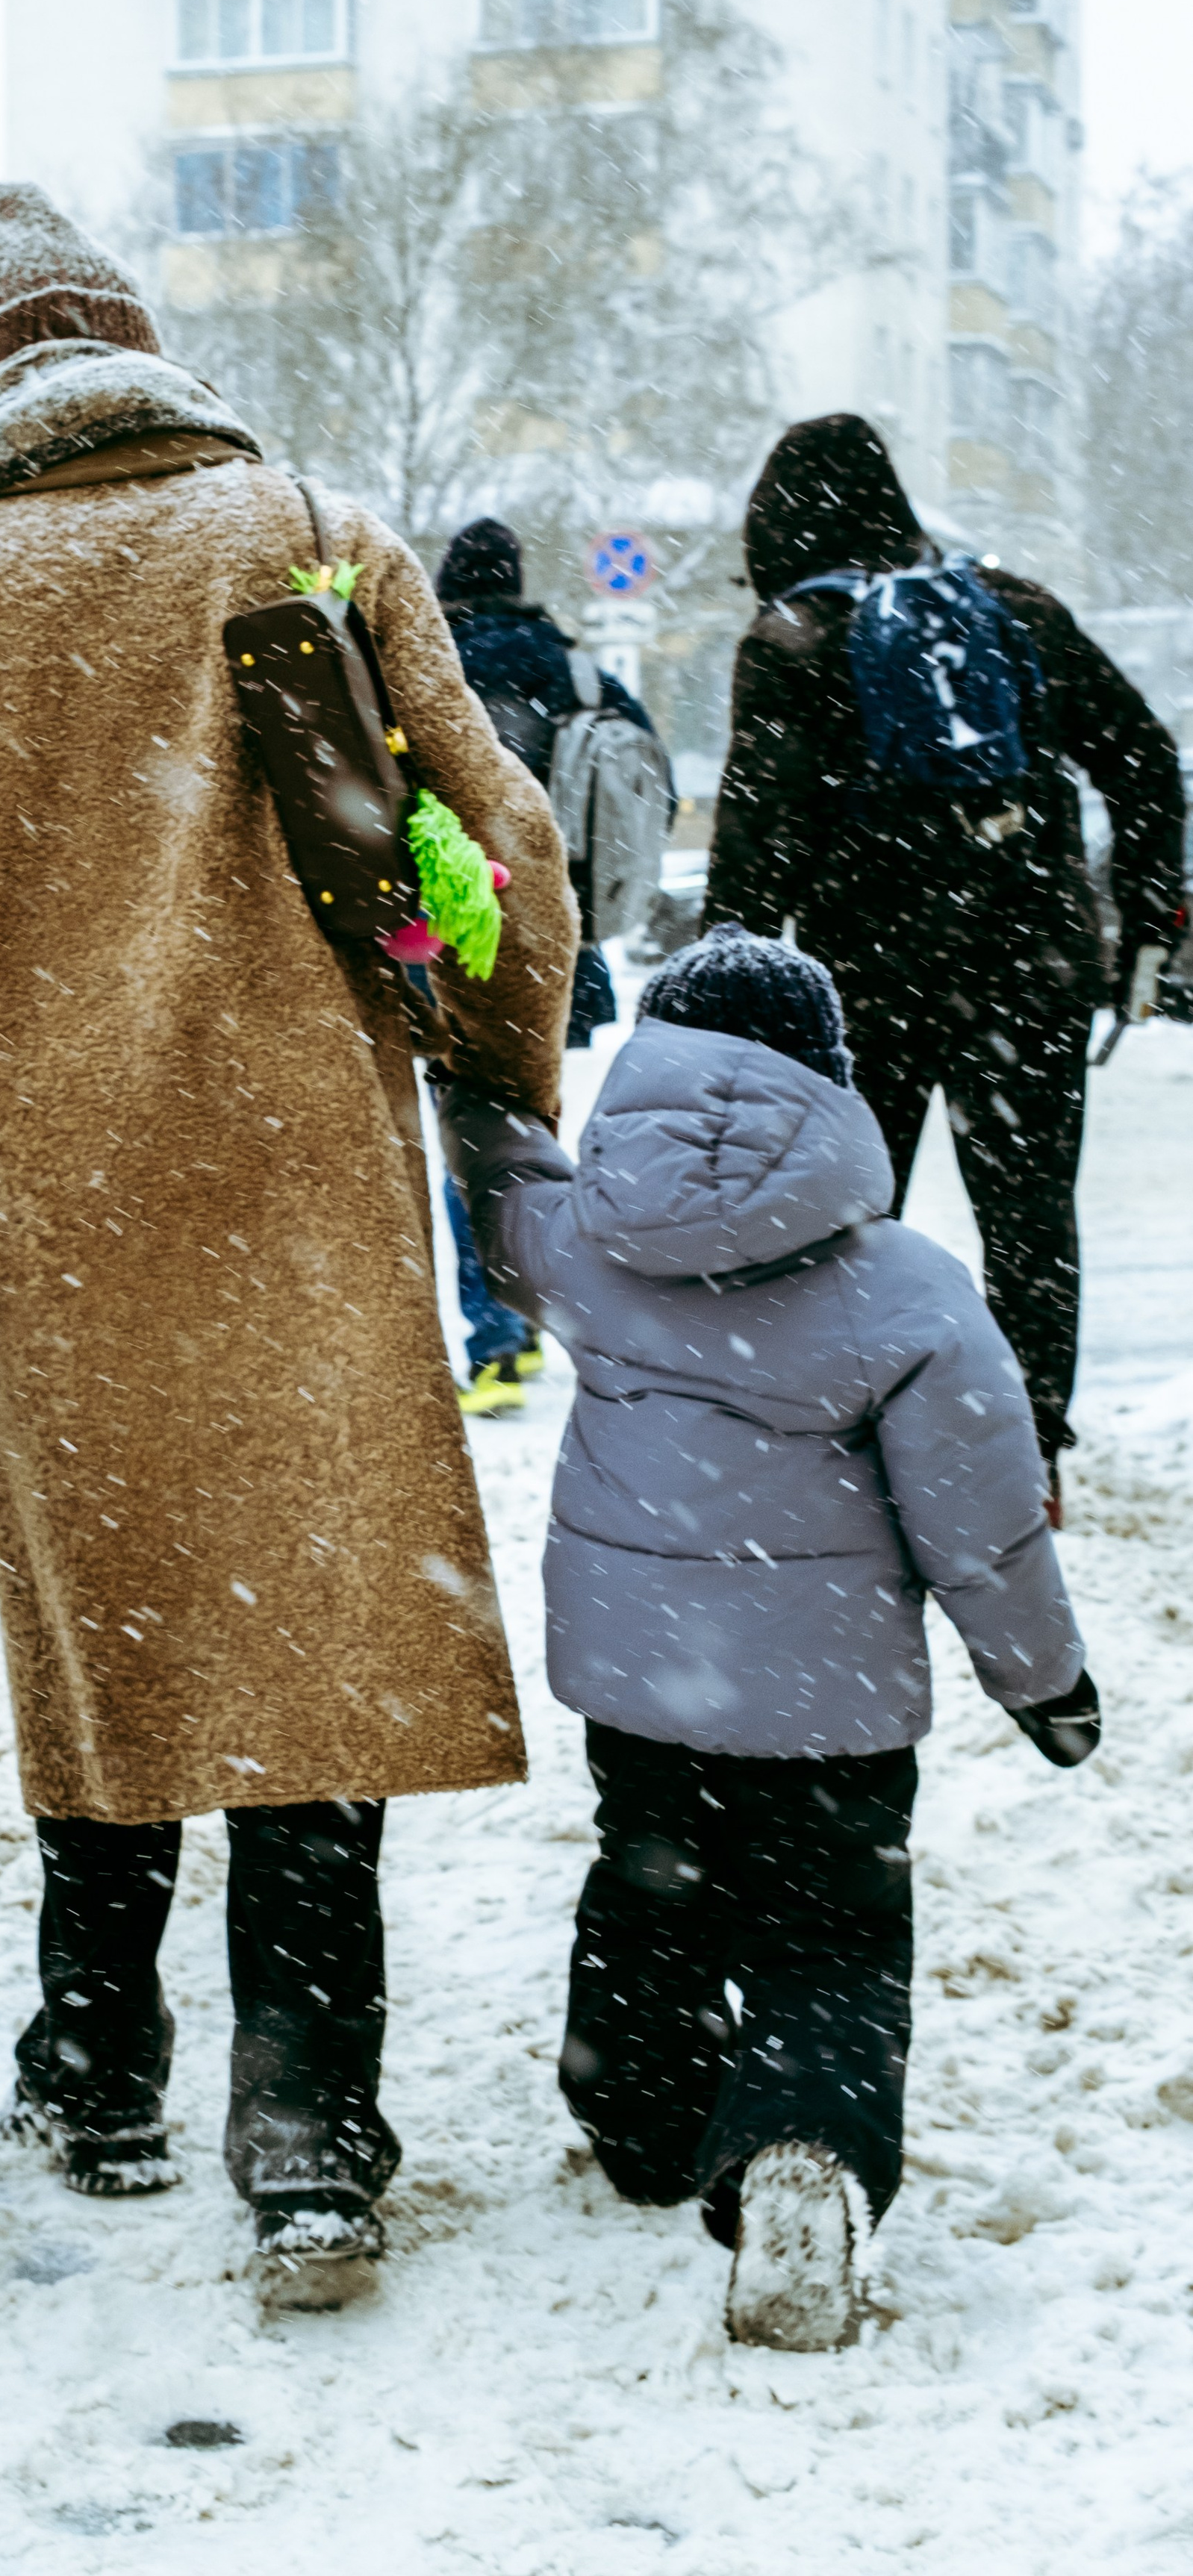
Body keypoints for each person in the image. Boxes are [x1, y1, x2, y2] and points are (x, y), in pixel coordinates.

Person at [0, 181, 574, 2280]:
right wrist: (499, 1065)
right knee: (312, 1610)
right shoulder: (301, 523)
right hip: (311, 1178)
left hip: (68, 1204)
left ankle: (98, 2055)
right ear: (139, 346)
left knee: (110, 1610)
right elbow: (502, 837)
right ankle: (310, 2115)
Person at [438, 925, 1097, 2351]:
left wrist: (471, 1074)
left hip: (646, 1694)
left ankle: (642, 2118)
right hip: (833, 1710)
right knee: (830, 1940)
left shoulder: (591, 1245)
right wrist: (1045, 1684)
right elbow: (983, 1531)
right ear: (834, 1085)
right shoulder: (909, 1291)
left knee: (649, 1894)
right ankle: (801, 2144)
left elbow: (502, 1188)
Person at [704, 414, 1186, 1511]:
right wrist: (1147, 915)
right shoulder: (1012, 608)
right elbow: (1146, 757)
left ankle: (863, 1445)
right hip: (1035, 965)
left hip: (872, 976)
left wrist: (721, 999)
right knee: (1030, 1217)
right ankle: (1030, 1457)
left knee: (852, 1220)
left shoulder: (794, 636)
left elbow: (754, 843)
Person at [433, 515, 670, 1418]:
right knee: (525, 1133)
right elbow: (649, 791)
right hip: (549, 938)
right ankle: (564, 1317)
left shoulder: (421, 662)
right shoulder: (576, 673)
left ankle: (498, 1343)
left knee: (464, 1149)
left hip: (441, 933)